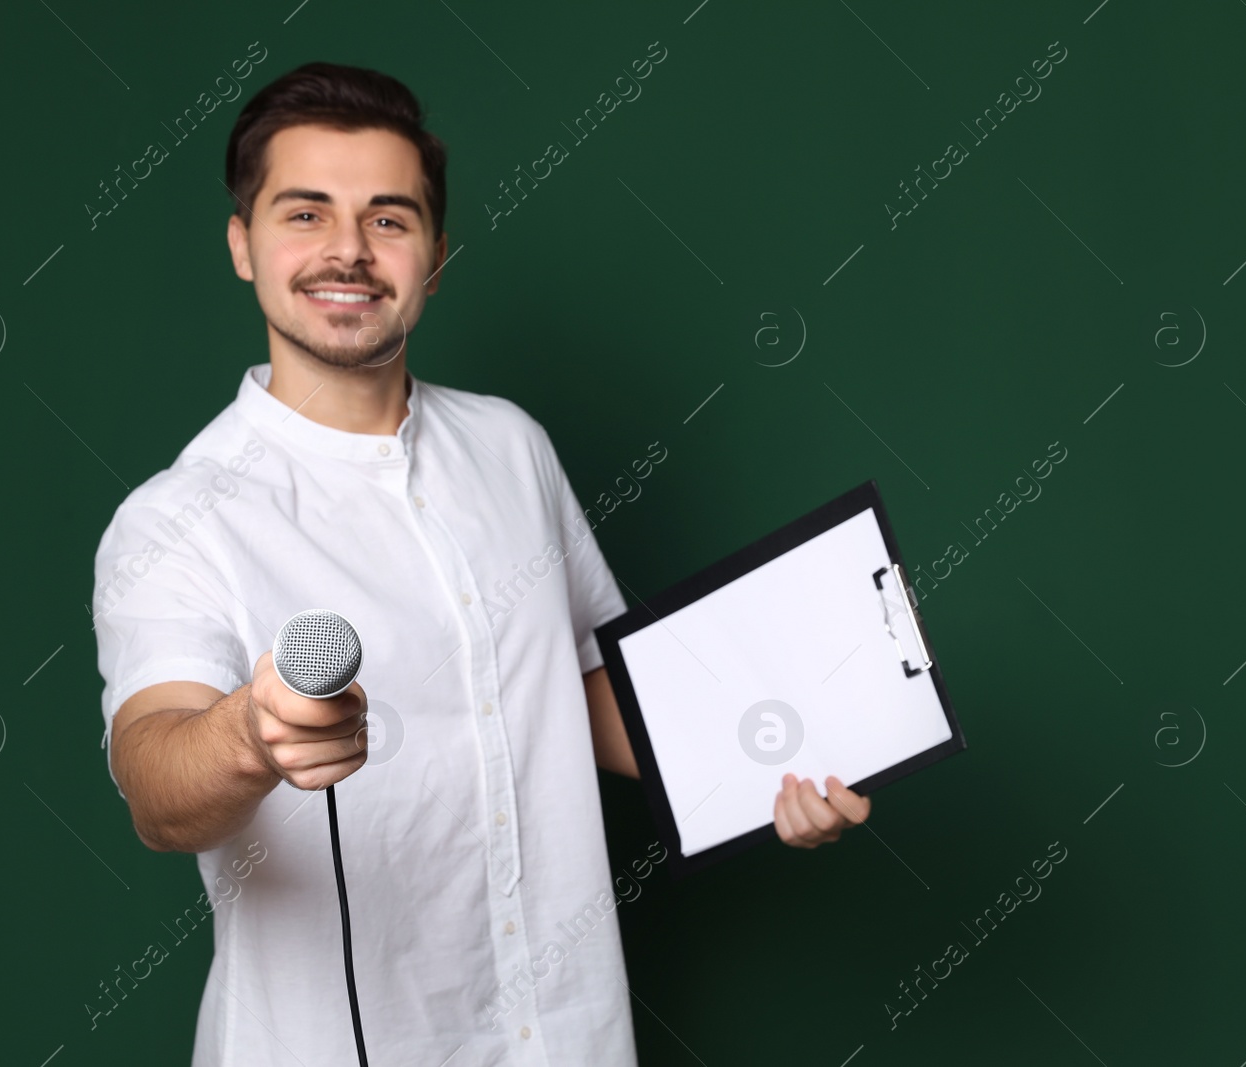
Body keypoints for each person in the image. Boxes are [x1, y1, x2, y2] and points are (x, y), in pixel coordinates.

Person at [91, 60, 872, 1067]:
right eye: (305, 213)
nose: (347, 250)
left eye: (388, 218)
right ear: (243, 245)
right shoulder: (175, 519)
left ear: (435, 252)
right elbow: (155, 779)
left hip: (570, 1037)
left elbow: (580, 687)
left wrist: (779, 758)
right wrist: (251, 732)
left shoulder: (511, 445)